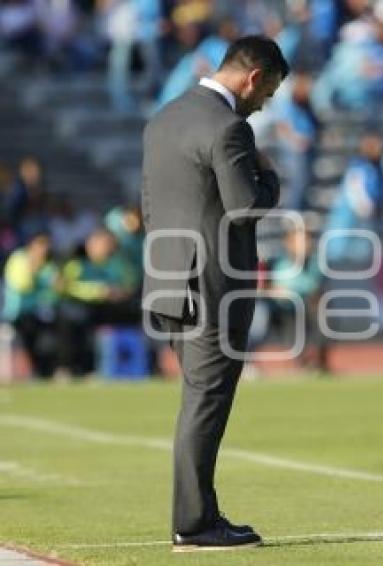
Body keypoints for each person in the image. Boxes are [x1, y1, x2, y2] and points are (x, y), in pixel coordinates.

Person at [141, 36, 286, 551]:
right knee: (205, 403)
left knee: (197, 402)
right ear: (253, 78)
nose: (265, 102)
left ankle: (202, 514)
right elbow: (245, 205)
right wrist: (272, 177)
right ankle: (196, 524)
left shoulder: (164, 117)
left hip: (167, 280)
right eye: (268, 92)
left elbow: (151, 204)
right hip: (212, 287)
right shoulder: (229, 128)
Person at [58, 228, 140, 375]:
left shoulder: (119, 264)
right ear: (90, 246)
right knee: (71, 317)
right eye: (101, 244)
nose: (105, 248)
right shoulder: (77, 265)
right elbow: (66, 287)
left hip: (110, 307)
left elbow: (130, 284)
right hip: (81, 306)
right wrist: (98, 291)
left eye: (108, 244)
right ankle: (70, 368)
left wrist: (120, 292)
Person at [253, 227, 327, 372]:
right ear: (289, 243)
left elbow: (314, 287)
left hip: (304, 308)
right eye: (300, 241)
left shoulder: (315, 263)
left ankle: (319, 362)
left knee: (322, 314)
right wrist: (275, 291)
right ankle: (248, 362)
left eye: (307, 240)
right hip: (279, 309)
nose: (305, 245)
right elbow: (263, 286)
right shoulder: (276, 262)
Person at [2, 233, 61, 378]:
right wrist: (33, 270)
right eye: (40, 247)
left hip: (41, 313)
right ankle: (30, 371)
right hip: (17, 313)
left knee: (56, 333)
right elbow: (21, 285)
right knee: (28, 334)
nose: (43, 251)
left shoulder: (48, 265)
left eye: (46, 247)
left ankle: (49, 370)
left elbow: (57, 290)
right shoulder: (19, 260)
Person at [324, 131, 383, 265]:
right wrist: (367, 209)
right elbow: (355, 192)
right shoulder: (358, 166)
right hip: (354, 217)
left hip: (368, 218)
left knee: (365, 253)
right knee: (341, 252)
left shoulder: (378, 168)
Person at [272, 72, 319, 210]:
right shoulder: (287, 104)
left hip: (307, 147)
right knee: (298, 180)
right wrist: (296, 141)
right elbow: (282, 127)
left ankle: (301, 207)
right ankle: (293, 210)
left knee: (306, 180)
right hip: (295, 149)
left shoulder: (307, 106)